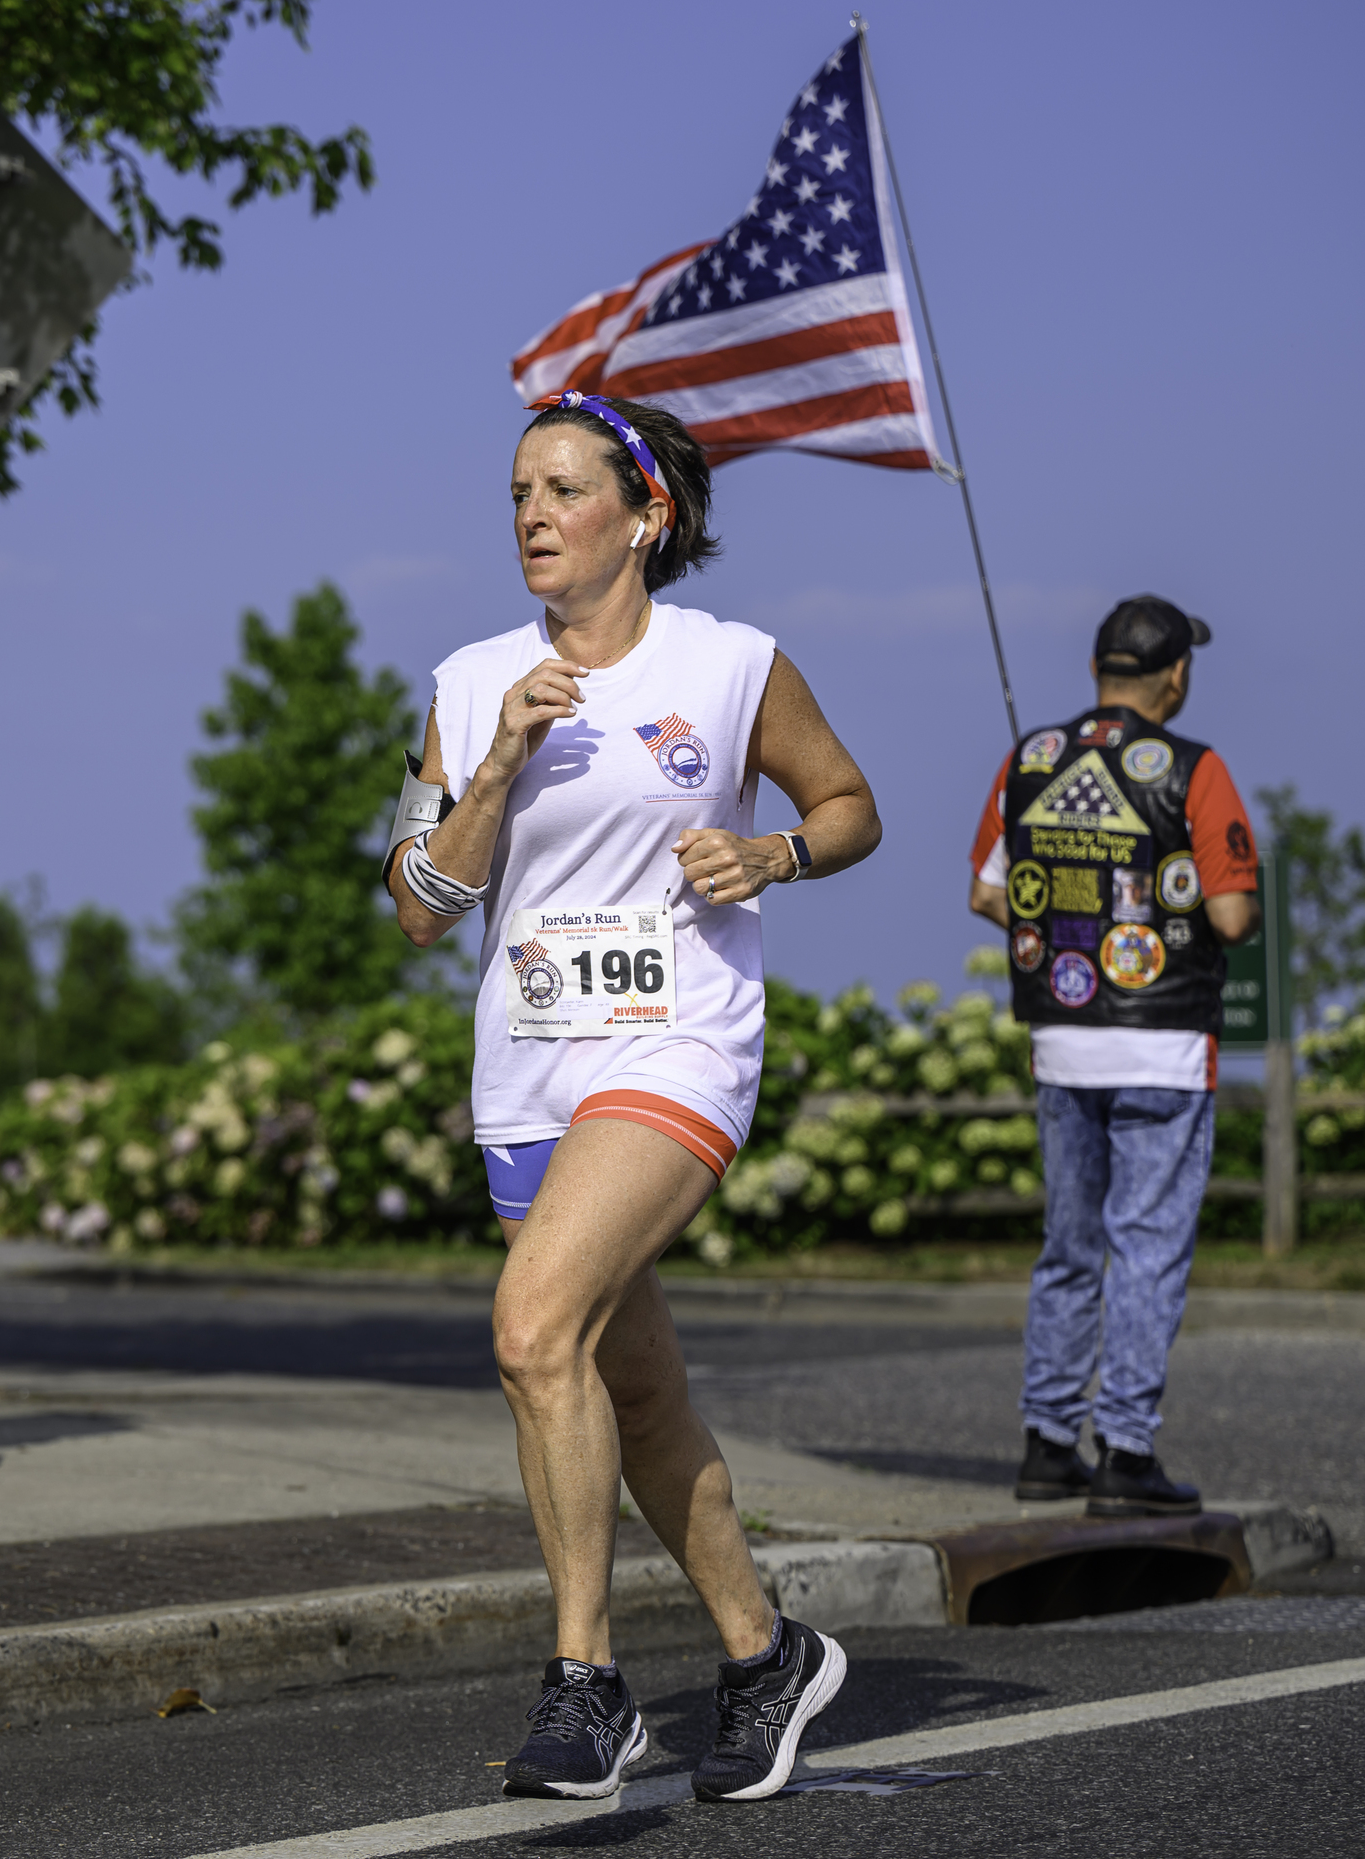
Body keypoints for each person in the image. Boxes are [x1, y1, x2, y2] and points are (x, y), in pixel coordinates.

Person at [386, 391, 880, 1803]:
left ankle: (587, 1684)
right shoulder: (473, 679)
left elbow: (850, 803)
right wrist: (493, 766)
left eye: (563, 490)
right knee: (634, 1389)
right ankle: (764, 1649)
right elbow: (420, 905)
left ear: (644, 513)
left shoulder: (731, 665)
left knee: (535, 1328)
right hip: (531, 1070)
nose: (534, 516)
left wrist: (774, 856)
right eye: (519, 494)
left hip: (678, 1047)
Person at [969, 596, 1260, 1517]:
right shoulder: (1194, 769)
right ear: (1176, 674)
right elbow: (1231, 916)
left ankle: (1047, 1444)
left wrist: (1070, 925)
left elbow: (986, 895)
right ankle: (1125, 1453)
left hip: (1062, 1041)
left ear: (1101, 669)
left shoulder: (1033, 760)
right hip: (1165, 1045)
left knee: (1069, 1246)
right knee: (1147, 1249)